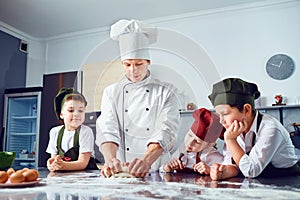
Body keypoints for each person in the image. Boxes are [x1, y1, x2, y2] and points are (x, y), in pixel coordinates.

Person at [96, 19, 181, 178]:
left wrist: (146, 161)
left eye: (138, 64)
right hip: (121, 171)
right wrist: (110, 159)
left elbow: (166, 130)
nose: (133, 70)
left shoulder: (166, 92)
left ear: (148, 62)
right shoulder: (111, 92)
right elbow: (107, 127)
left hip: (158, 171)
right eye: (127, 64)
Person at [208, 78, 300, 180]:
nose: (221, 121)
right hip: (259, 180)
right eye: (219, 115)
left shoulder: (271, 129)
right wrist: (224, 171)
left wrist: (230, 140)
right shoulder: (234, 129)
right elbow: (234, 163)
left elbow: (251, 171)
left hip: (285, 180)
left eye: (225, 114)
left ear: (246, 110)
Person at [46, 88, 98, 171]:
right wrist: (52, 164)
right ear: (61, 114)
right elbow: (54, 159)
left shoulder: (85, 131)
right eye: (71, 110)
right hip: (63, 178)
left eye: (80, 110)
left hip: (85, 177)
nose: (76, 114)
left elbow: (82, 163)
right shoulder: (55, 132)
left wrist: (62, 165)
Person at [161, 108, 224, 175]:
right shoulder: (181, 150)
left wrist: (210, 170)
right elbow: (161, 169)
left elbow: (226, 171)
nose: (189, 143)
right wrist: (167, 167)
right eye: (190, 135)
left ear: (209, 145)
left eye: (197, 142)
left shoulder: (211, 155)